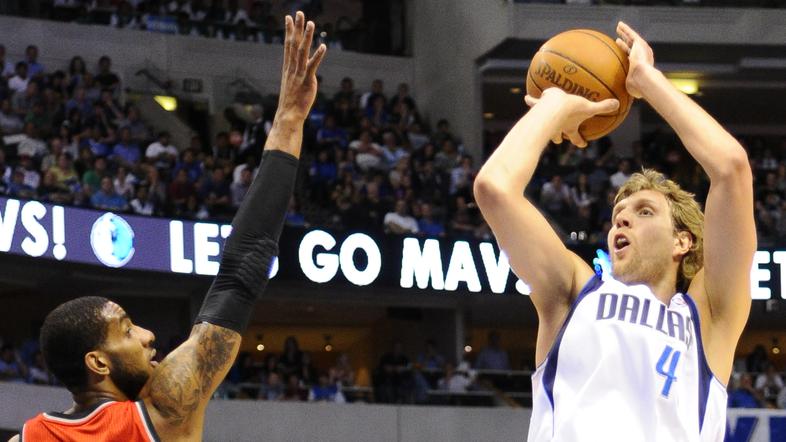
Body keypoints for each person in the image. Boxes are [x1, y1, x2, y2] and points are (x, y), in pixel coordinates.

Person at [11, 11, 326, 442]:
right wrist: (289, 118)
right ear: (98, 363)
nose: (147, 336)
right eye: (126, 330)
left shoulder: (31, 436)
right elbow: (242, 270)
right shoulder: (164, 410)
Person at [474, 22, 754, 441]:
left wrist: (646, 80)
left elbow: (731, 169)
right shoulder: (573, 292)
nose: (621, 220)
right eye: (618, 213)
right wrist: (553, 105)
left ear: (682, 241)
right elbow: (494, 189)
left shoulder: (708, 316)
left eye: (644, 212)